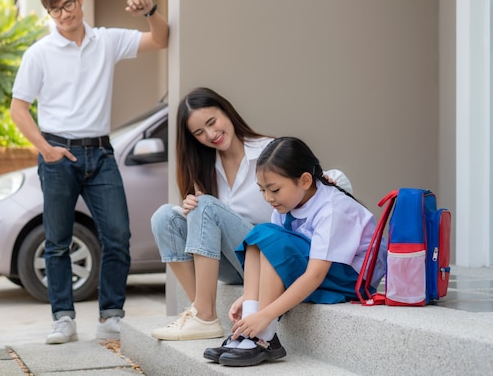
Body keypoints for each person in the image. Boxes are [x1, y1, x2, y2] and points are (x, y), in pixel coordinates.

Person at [10, 0, 169, 344]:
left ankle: (111, 315)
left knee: (118, 236)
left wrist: (151, 12)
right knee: (57, 241)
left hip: (101, 153)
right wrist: (45, 149)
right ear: (48, 13)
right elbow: (19, 110)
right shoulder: (39, 53)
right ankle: (63, 318)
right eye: (54, 10)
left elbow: (160, 39)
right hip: (57, 154)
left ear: (79, 0)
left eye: (67, 5)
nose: (62, 14)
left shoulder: (107, 41)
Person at [150, 88, 352, 341]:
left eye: (212, 122)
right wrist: (191, 206)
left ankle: (203, 316)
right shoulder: (203, 168)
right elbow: (208, 222)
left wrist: (333, 181)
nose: (211, 135)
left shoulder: (268, 151)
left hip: (269, 261)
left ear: (227, 112)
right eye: (199, 132)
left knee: (206, 206)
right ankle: (201, 312)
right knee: (164, 217)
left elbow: (318, 184)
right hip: (233, 263)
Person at [202, 136, 387, 367]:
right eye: (262, 190)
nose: (268, 198)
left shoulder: (332, 207)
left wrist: (266, 314)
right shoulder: (285, 204)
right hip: (319, 269)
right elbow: (269, 254)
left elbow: (315, 275)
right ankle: (247, 329)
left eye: (275, 189)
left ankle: (264, 336)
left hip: (350, 279)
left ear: (305, 180)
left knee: (269, 236)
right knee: (260, 236)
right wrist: (251, 299)